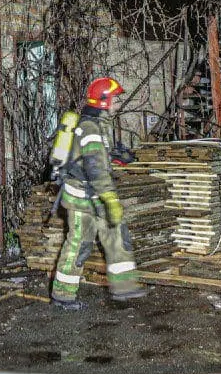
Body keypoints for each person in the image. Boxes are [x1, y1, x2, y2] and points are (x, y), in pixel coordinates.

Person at [51, 76, 148, 308]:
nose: (117, 104)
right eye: (114, 99)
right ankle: (62, 295)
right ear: (104, 100)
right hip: (83, 198)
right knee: (79, 244)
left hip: (93, 194)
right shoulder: (91, 127)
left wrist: (115, 158)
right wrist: (110, 197)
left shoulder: (96, 124)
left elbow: (94, 157)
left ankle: (125, 288)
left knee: (116, 235)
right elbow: (94, 169)